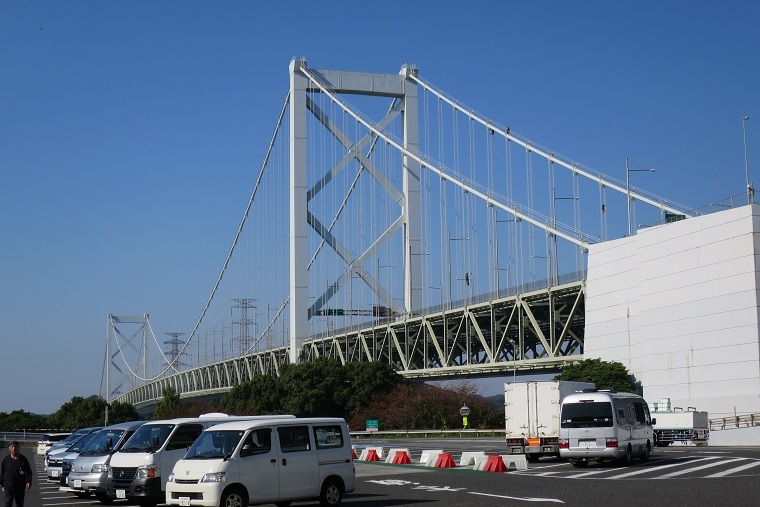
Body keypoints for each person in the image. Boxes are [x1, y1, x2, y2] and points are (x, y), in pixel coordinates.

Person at [0, 441, 32, 507]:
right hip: (8, 486)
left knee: (19, 504)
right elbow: (2, 471)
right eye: (12, 446)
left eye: (15, 446)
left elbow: (29, 472)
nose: (14, 448)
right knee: (8, 504)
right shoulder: (6, 459)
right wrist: (0, 482)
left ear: (19, 448)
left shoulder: (23, 459)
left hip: (20, 487)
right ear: (9, 448)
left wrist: (28, 481)